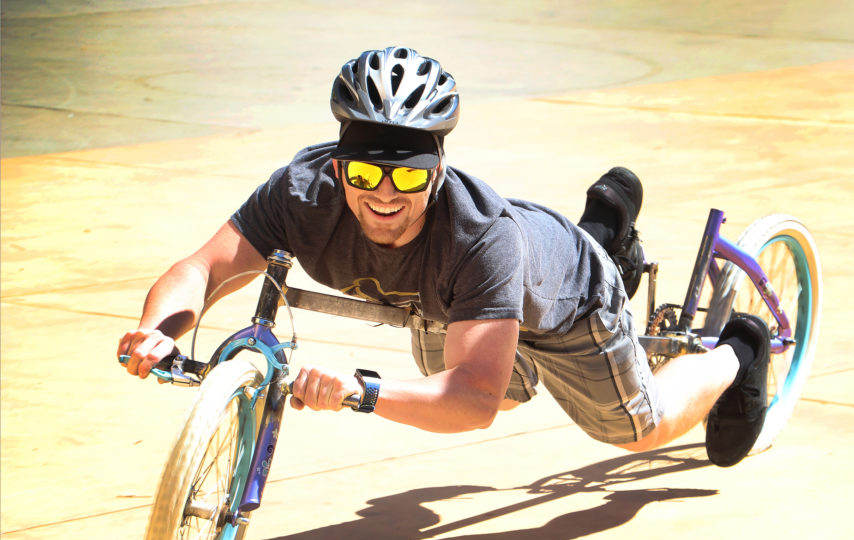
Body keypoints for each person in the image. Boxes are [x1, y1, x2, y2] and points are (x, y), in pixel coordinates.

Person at [118, 46, 770, 467]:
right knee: (496, 382)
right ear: (337, 166)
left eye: (406, 180)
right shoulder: (299, 192)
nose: (383, 196)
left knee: (637, 431)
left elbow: (473, 400)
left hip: (569, 307)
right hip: (458, 301)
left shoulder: (479, 240)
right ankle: (603, 228)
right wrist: (159, 331)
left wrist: (360, 391)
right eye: (365, 174)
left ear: (436, 174)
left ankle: (737, 349)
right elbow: (201, 269)